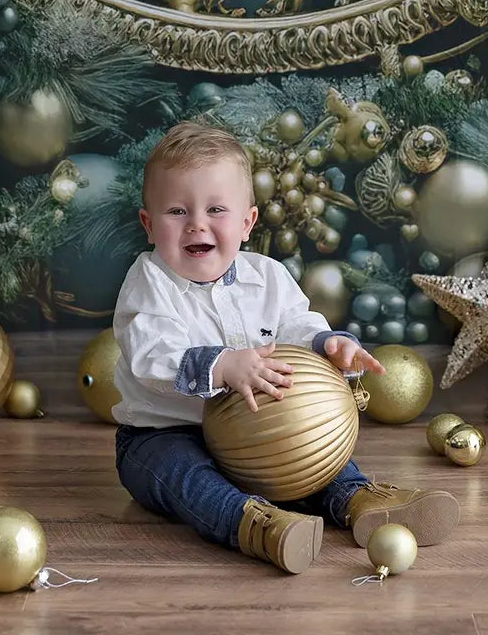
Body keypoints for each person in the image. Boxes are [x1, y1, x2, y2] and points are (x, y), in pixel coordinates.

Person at [111, 121, 460, 574]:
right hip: (165, 433)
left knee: (309, 444)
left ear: (247, 223)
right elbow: (150, 358)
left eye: (216, 209)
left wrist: (328, 344)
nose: (197, 223)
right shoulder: (149, 284)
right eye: (176, 212)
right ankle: (255, 524)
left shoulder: (268, 276)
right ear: (148, 224)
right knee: (187, 477)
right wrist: (222, 366)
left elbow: (297, 325)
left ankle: (357, 499)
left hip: (257, 428)